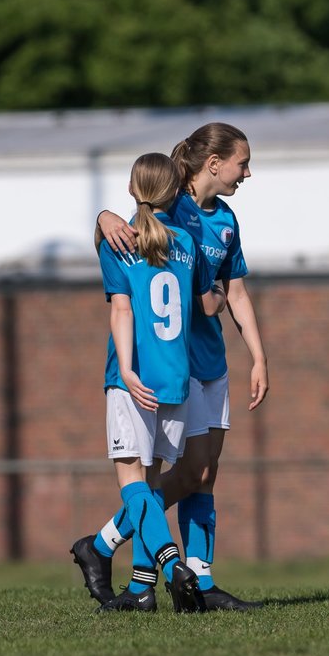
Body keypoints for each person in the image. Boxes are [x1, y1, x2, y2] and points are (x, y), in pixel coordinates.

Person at [71, 122, 268, 611]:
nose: (248, 172)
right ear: (214, 162)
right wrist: (102, 216)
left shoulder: (225, 220)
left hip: (208, 364)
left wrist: (258, 356)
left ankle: (189, 580)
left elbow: (234, 291)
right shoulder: (171, 210)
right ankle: (145, 573)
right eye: (243, 162)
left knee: (202, 473)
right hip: (173, 366)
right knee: (176, 474)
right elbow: (121, 228)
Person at [93, 152, 228, 613]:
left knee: (134, 487)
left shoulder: (118, 241)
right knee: (151, 489)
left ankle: (174, 569)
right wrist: (219, 294)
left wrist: (127, 372)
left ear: (132, 190)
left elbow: (122, 309)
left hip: (136, 381)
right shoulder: (188, 241)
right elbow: (208, 305)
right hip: (177, 381)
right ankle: (140, 590)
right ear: (176, 193)